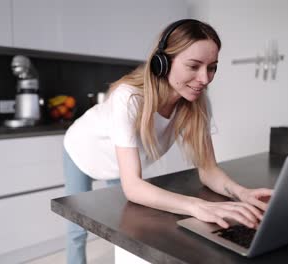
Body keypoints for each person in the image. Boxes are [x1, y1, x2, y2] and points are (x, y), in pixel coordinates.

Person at [63, 19, 273, 264]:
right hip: (84, 150)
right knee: (77, 229)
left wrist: (242, 193)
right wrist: (196, 206)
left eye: (212, 67)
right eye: (194, 66)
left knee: (119, 225)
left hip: (121, 161)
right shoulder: (129, 99)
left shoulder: (197, 103)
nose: (204, 78)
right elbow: (133, 186)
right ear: (162, 63)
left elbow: (209, 170)